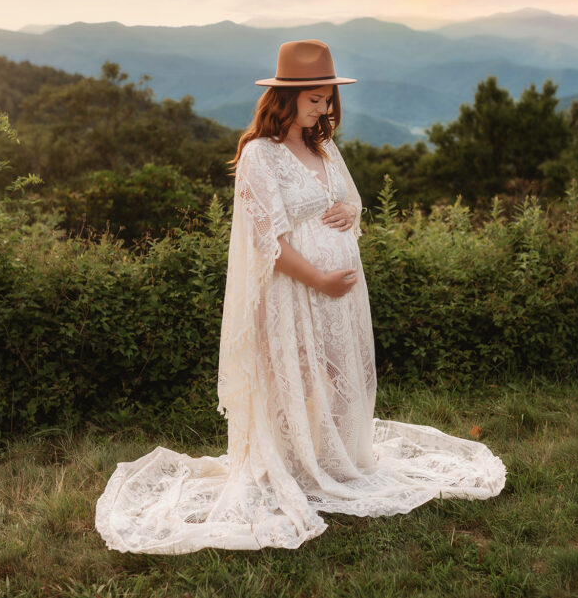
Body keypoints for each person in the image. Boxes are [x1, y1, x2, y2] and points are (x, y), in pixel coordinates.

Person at [94, 39, 505, 554]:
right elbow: (268, 243)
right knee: (300, 372)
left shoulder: (323, 147)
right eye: (315, 100)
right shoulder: (259, 156)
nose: (325, 110)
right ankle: (295, 463)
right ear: (284, 99)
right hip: (296, 289)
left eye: (328, 99)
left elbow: (350, 200)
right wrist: (321, 279)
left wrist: (350, 216)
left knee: (337, 371)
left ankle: (334, 457)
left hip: (339, 296)